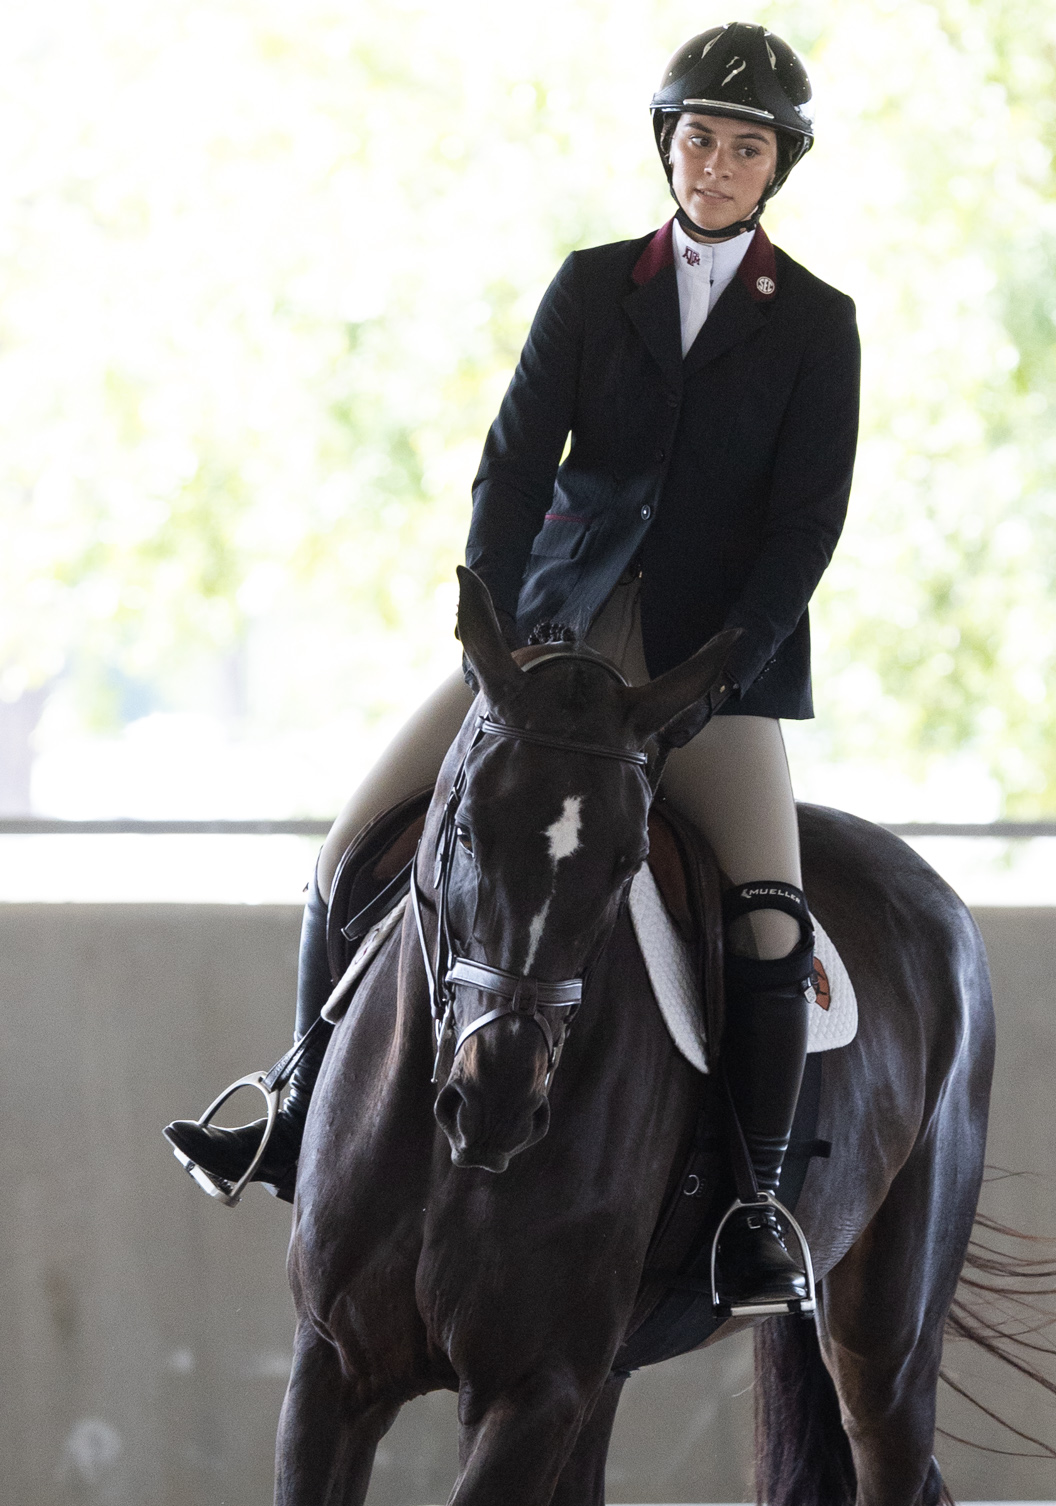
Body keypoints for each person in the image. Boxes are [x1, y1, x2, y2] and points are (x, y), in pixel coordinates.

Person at [166, 21, 861, 1313]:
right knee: (348, 849)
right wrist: (497, 636)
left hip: (705, 674)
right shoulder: (594, 286)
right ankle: (297, 1107)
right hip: (552, 646)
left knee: (767, 913)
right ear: (671, 144)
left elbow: (803, 526)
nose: (714, 162)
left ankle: (757, 1208)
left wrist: (724, 670)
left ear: (777, 167)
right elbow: (513, 461)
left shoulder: (817, 325)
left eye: (743, 146)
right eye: (698, 136)